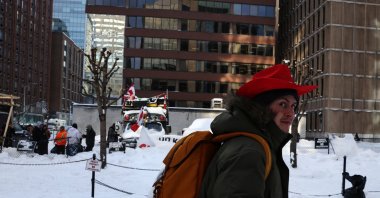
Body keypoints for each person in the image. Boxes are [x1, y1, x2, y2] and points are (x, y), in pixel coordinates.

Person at [199, 64, 317, 198]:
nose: (291, 113)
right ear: (262, 107)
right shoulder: (249, 152)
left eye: (293, 106)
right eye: (282, 104)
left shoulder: (257, 144)